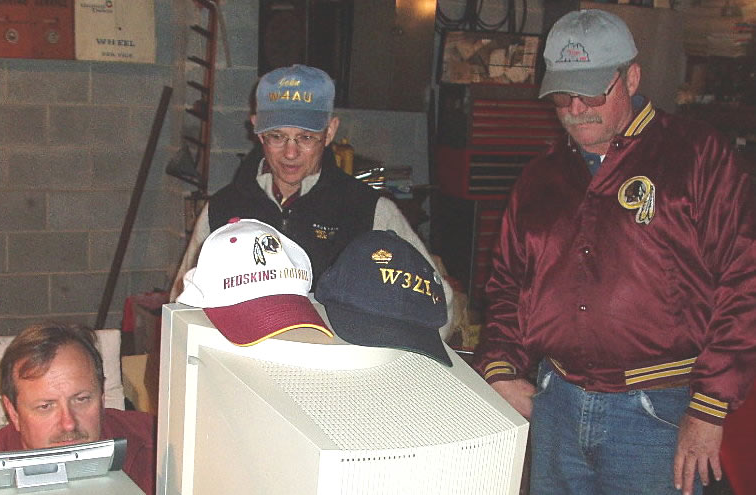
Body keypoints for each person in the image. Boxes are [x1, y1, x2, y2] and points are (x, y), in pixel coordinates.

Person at [471, 9, 756, 495]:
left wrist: (710, 406)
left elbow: (743, 280)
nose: (577, 107)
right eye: (563, 94)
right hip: (555, 403)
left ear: (632, 77)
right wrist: (499, 366)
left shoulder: (697, 155)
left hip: (658, 414)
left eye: (593, 91)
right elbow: (507, 288)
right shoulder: (539, 179)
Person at [168, 63, 453, 336]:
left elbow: (440, 303)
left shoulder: (369, 211)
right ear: (256, 129)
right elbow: (183, 303)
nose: (290, 153)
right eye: (277, 136)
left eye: (305, 138)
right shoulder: (222, 209)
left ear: (330, 131)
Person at [0, 324, 155, 495]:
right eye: (45, 406)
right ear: (13, 413)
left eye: (81, 399)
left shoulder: (156, 443)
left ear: (102, 397)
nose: (68, 423)